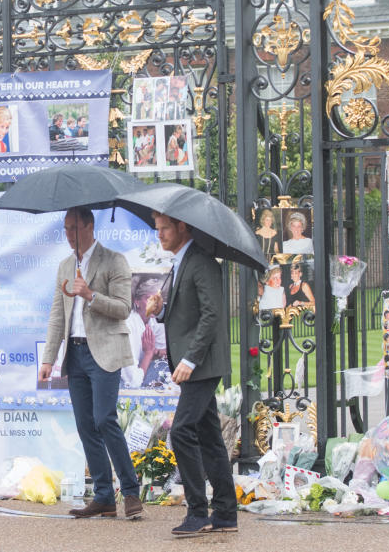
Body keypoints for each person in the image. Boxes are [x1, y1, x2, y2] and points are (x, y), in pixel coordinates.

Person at [39, 207, 142, 519]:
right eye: (65, 229)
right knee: (85, 425)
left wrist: (90, 295)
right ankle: (103, 496)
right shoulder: (65, 267)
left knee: (103, 419)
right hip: (76, 353)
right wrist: (48, 359)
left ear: (88, 227)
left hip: (105, 352)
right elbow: (58, 315)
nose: (68, 235)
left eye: (72, 228)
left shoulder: (114, 261)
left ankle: (131, 492)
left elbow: (124, 308)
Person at [144, 213, 236, 535]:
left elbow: (212, 315)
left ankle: (199, 512)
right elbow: (187, 314)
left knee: (181, 431)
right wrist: (161, 311)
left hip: (202, 365)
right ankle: (225, 513)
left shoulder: (202, 261)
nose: (160, 235)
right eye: (157, 229)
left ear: (183, 226)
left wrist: (191, 359)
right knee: (210, 437)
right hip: (194, 365)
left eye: (165, 228)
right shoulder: (181, 262)